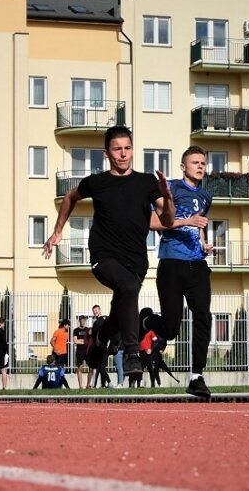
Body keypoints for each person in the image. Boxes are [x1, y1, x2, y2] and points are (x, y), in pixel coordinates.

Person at [43, 125, 175, 379]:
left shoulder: (147, 182)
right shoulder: (97, 182)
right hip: (103, 256)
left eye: (127, 148)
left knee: (119, 310)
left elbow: (167, 221)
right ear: (107, 153)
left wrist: (167, 198)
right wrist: (58, 230)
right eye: (117, 149)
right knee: (126, 287)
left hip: (136, 260)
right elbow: (70, 198)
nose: (123, 154)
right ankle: (132, 354)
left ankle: (100, 340)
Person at [149, 145, 214, 398]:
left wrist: (203, 242)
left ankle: (197, 376)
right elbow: (154, 222)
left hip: (197, 264)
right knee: (172, 327)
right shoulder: (171, 188)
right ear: (183, 166)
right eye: (195, 162)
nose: (200, 166)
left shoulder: (206, 196)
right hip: (172, 263)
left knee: (203, 317)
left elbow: (200, 224)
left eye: (203, 163)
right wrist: (187, 221)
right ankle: (145, 320)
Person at [90, 305, 112, 388]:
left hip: (103, 347)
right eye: (94, 310)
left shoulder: (102, 320)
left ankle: (105, 384)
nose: (95, 312)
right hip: (98, 347)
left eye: (96, 310)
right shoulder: (97, 321)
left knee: (101, 366)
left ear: (100, 310)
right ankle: (106, 383)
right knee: (99, 367)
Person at [73, 315, 89, 388]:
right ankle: (80, 386)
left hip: (87, 351)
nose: (83, 322)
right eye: (81, 320)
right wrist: (83, 341)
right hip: (79, 351)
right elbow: (75, 341)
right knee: (80, 368)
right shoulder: (76, 330)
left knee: (91, 367)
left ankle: (88, 385)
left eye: (84, 320)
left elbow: (89, 341)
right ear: (79, 321)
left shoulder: (88, 330)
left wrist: (82, 341)